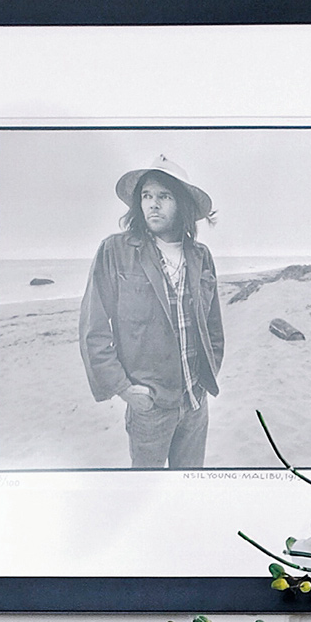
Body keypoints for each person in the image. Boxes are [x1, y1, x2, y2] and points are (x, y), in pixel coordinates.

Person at [78, 157, 224, 469]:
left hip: (196, 403)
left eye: (164, 196)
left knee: (188, 490)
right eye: (146, 196)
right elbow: (93, 328)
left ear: (181, 204)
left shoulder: (200, 256)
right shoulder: (115, 251)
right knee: (148, 492)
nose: (153, 205)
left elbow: (213, 326)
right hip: (150, 407)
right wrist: (122, 387)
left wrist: (207, 375)